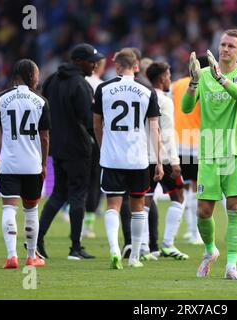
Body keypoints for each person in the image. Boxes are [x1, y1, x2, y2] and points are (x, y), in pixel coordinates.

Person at [182, 29, 237, 280]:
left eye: (230, 46)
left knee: (235, 207)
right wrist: (194, 82)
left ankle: (231, 266)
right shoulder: (204, 75)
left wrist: (221, 79)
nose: (225, 49)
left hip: (236, 150)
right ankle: (209, 251)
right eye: (222, 44)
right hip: (209, 150)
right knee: (203, 210)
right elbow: (185, 108)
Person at [93, 48, 163, 269]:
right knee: (138, 205)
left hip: (112, 158)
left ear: (116, 65)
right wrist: (159, 161)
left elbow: (96, 123)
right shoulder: (147, 90)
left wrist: (104, 146)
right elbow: (154, 128)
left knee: (113, 205)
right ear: (136, 66)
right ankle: (134, 256)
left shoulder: (103, 89)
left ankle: (115, 250)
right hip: (138, 158)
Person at [37, 43, 104, 260]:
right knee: (78, 195)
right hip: (79, 148)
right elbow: (88, 120)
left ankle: (37, 240)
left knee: (58, 194)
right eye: (91, 61)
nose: (95, 65)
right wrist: (98, 143)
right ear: (79, 61)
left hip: (56, 147)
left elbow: (42, 108)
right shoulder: (81, 85)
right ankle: (75, 248)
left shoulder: (51, 80)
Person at [0, 59, 50, 268]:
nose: (39, 77)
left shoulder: (1, 98)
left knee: (8, 208)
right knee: (31, 210)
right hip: (32, 164)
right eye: (37, 74)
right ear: (31, 75)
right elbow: (45, 137)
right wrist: (43, 164)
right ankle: (32, 256)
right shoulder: (40, 101)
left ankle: (11, 256)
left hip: (9, 163)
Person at [146, 61, 189, 260]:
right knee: (178, 197)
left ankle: (142, 247)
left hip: (143, 156)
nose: (170, 78)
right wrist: (174, 161)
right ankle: (167, 244)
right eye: (169, 74)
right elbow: (167, 133)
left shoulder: (143, 94)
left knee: (143, 200)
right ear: (162, 77)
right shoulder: (164, 100)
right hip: (162, 156)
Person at [171, 55, 209, 245]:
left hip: (177, 142)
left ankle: (188, 230)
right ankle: (195, 233)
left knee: (183, 188)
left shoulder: (177, 84)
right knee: (196, 188)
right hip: (197, 142)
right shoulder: (206, 85)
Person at [82, 57, 107, 239]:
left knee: (78, 183)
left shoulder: (80, 83)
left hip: (78, 140)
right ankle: (87, 226)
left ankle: (72, 214)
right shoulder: (102, 86)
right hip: (97, 140)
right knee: (94, 183)